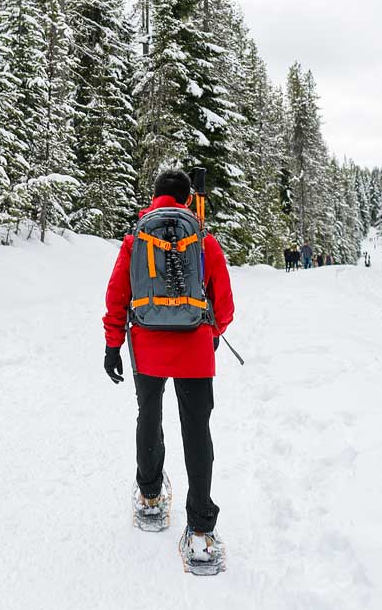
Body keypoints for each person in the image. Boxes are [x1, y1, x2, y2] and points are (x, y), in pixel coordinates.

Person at [103, 168, 234, 563]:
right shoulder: (203, 240)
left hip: (146, 345)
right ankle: (200, 533)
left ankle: (150, 496)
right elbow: (224, 304)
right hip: (194, 347)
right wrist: (212, 332)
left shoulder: (135, 240)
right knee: (196, 430)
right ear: (188, 198)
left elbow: (117, 295)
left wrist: (112, 345)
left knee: (149, 415)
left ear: (155, 196)